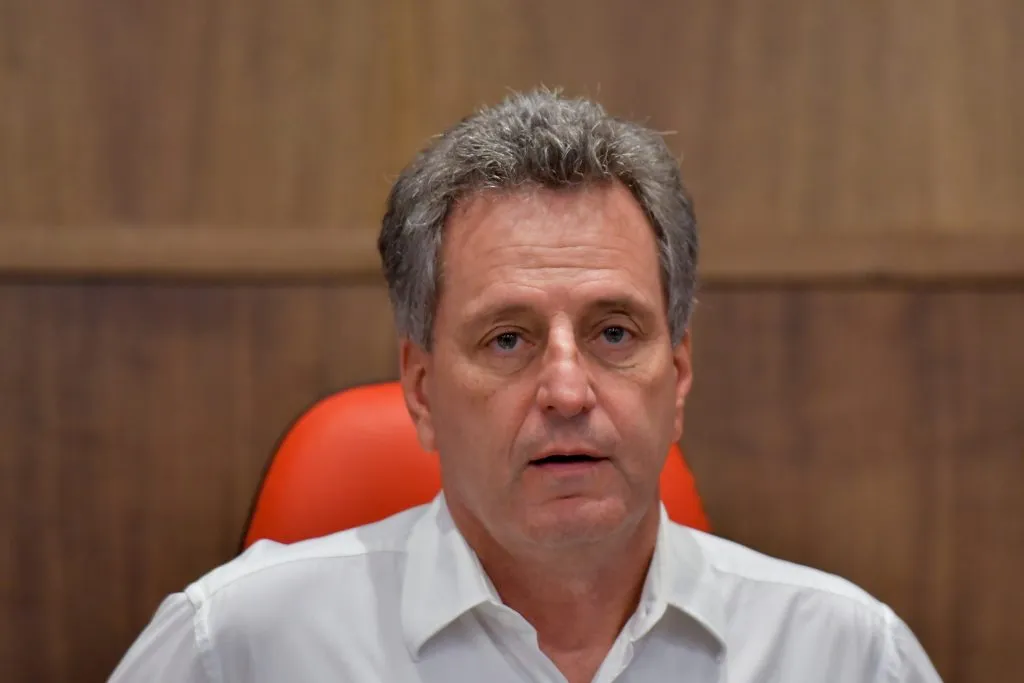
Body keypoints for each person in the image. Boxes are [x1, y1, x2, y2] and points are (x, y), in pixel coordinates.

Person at [109, 89, 942, 682]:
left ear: (678, 375)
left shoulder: (844, 653)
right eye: (508, 338)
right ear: (422, 388)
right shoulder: (236, 647)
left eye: (615, 332)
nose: (569, 389)